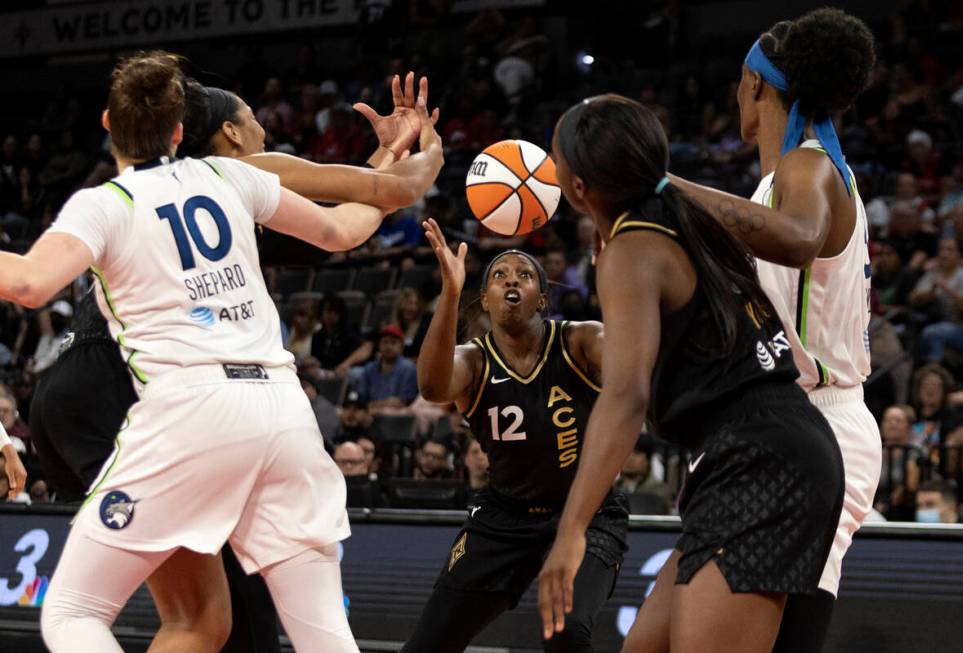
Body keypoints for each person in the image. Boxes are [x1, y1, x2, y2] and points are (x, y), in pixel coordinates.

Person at [0, 50, 438, 653]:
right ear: (180, 131)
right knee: (320, 632)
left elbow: (26, 285)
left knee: (75, 611)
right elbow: (348, 227)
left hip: (186, 406)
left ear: (108, 123)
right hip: (282, 410)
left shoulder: (104, 202)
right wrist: (422, 153)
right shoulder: (236, 177)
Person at [537, 94, 843, 653]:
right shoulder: (682, 217)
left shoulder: (632, 247)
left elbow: (626, 397)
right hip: (766, 450)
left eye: (555, 158)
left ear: (578, 189)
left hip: (759, 459)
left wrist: (572, 528)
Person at [664, 10, 879, 650]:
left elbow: (800, 239)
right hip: (776, 423)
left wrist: (658, 184)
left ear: (755, 87)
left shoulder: (804, 169)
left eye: (739, 82)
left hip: (814, 421)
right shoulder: (776, 184)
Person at [400, 220, 628, 653]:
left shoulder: (579, 341)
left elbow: (631, 352)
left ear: (541, 300)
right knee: (425, 646)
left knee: (566, 630)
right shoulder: (473, 361)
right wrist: (450, 294)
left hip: (586, 513)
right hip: (503, 518)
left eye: (524, 275)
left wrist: (617, 279)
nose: (511, 281)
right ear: (484, 298)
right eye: (499, 276)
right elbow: (431, 388)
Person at [358, 323, 418, 411]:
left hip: (396, 417)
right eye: (385, 342)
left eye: (393, 343)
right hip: (369, 414)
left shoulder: (409, 368)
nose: (388, 346)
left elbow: (402, 403)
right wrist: (386, 403)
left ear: (401, 346)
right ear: (379, 345)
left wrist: (373, 405)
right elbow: (362, 403)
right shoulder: (369, 368)